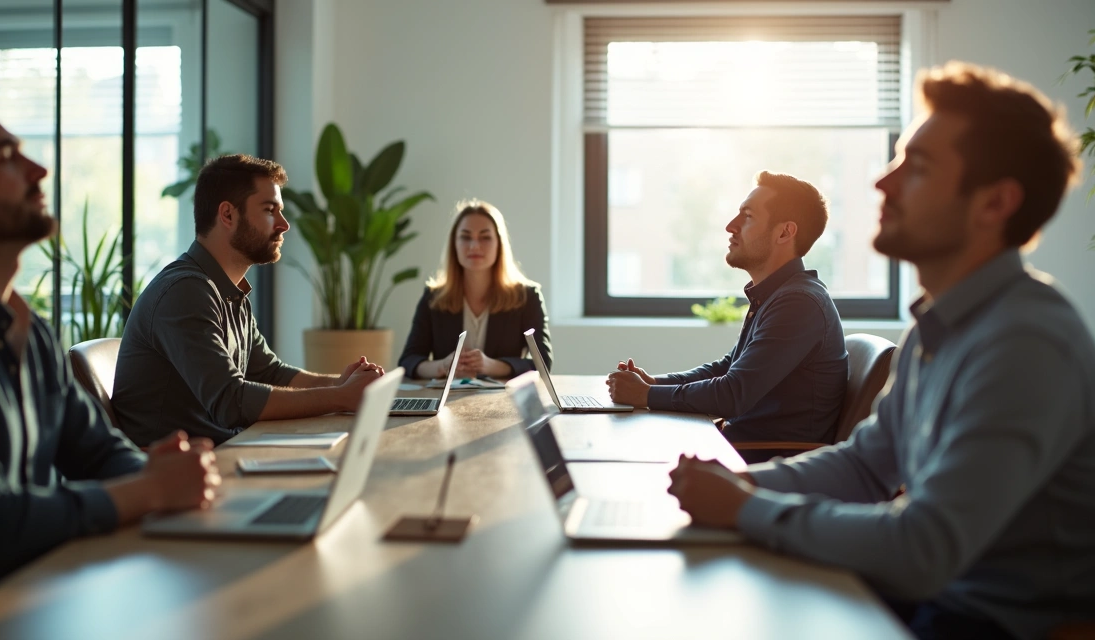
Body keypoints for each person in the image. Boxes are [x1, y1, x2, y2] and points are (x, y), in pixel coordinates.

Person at [668, 62, 1095, 640]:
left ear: (995, 203)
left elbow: (923, 548)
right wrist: (745, 485)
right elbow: (866, 463)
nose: (881, 184)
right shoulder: (939, 327)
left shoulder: (1027, 342)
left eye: (915, 167)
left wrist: (746, 509)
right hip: (932, 602)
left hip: (981, 622)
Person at [0, 91, 219, 621]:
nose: (38, 169)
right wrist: (149, 490)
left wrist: (157, 472)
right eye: (5, 158)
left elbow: (100, 453)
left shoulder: (27, 328)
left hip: (35, 590)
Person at [113, 154, 383, 447]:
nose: (284, 225)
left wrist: (342, 383)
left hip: (221, 452)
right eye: (270, 210)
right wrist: (342, 396)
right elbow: (231, 402)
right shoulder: (185, 292)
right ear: (227, 215)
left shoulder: (227, 290)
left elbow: (269, 372)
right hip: (174, 476)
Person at [607, 172, 847, 450]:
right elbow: (727, 369)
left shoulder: (799, 303)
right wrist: (654, 383)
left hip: (761, 460)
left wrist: (647, 395)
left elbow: (733, 393)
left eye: (747, 216)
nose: (730, 226)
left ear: (784, 232)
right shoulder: (778, 295)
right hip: (735, 447)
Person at [398, 199, 551, 379]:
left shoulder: (527, 297)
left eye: (485, 237)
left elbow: (543, 364)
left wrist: (490, 365)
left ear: (499, 244)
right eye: (465, 237)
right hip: (448, 403)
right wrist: (443, 366)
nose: (474, 246)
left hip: (504, 402)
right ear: (454, 244)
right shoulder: (434, 297)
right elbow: (408, 361)